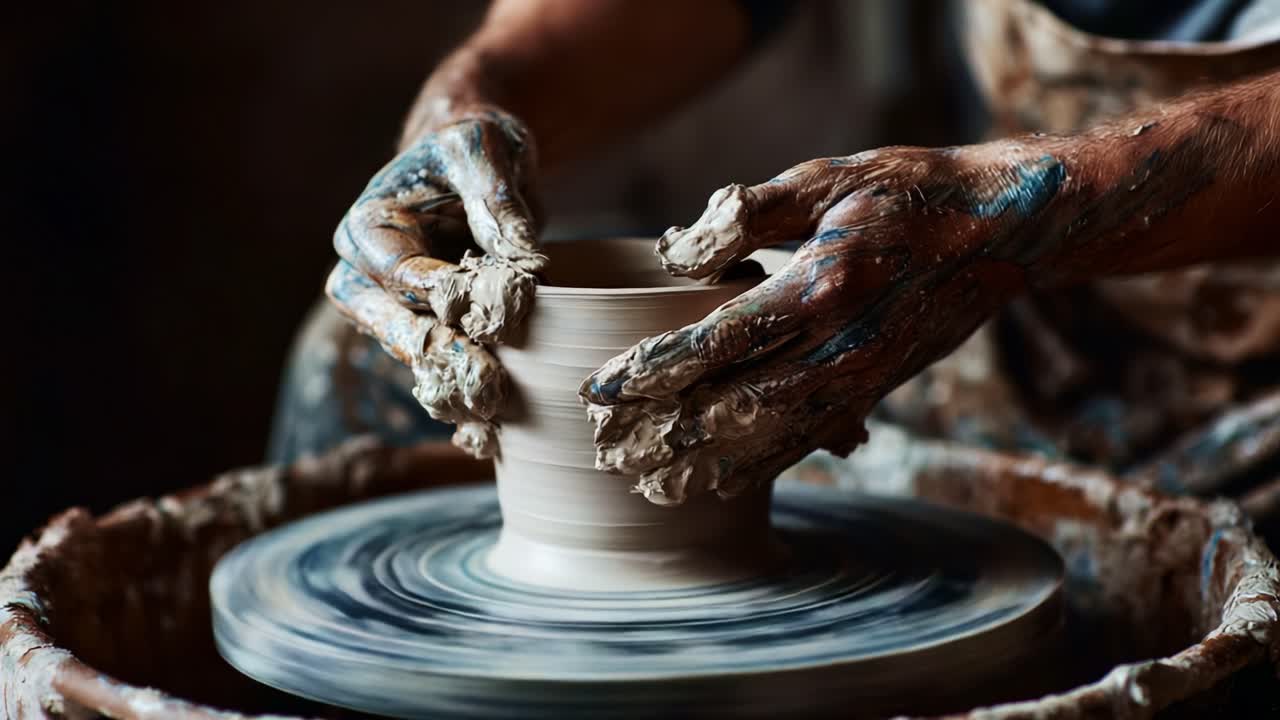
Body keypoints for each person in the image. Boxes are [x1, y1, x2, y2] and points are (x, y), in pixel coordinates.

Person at [272, 0, 1280, 519]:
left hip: (1243, 379)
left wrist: (1026, 210)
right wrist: (479, 91)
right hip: (1000, 297)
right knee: (361, 368)